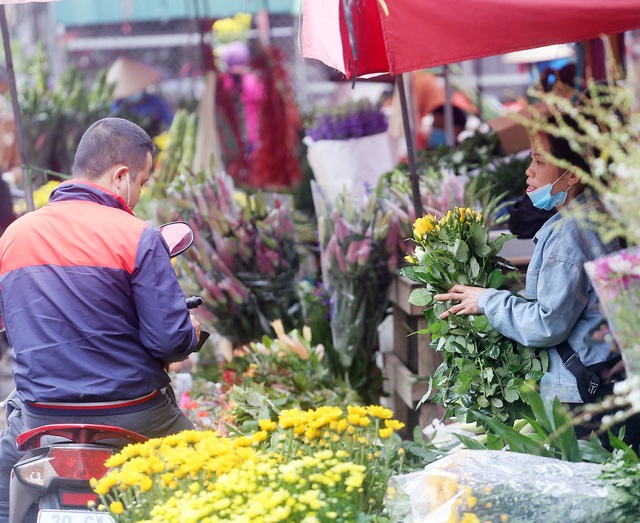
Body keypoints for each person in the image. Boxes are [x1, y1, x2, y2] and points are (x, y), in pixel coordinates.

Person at [0, 117, 201, 519]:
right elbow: (167, 341)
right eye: (142, 183)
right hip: (137, 413)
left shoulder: (14, 236)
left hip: (42, 415)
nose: (139, 195)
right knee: (204, 473)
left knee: (6, 486)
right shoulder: (137, 235)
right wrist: (190, 334)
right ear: (121, 176)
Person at [434, 114, 627, 439]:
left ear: (572, 175)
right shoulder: (601, 216)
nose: (529, 170)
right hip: (606, 380)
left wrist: (488, 301)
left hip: (580, 394)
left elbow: (547, 324)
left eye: (538, 161)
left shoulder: (569, 234)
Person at [107, 57, 174, 137]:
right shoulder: (117, 106)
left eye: (135, 89)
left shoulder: (155, 101)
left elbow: (170, 123)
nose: (133, 93)